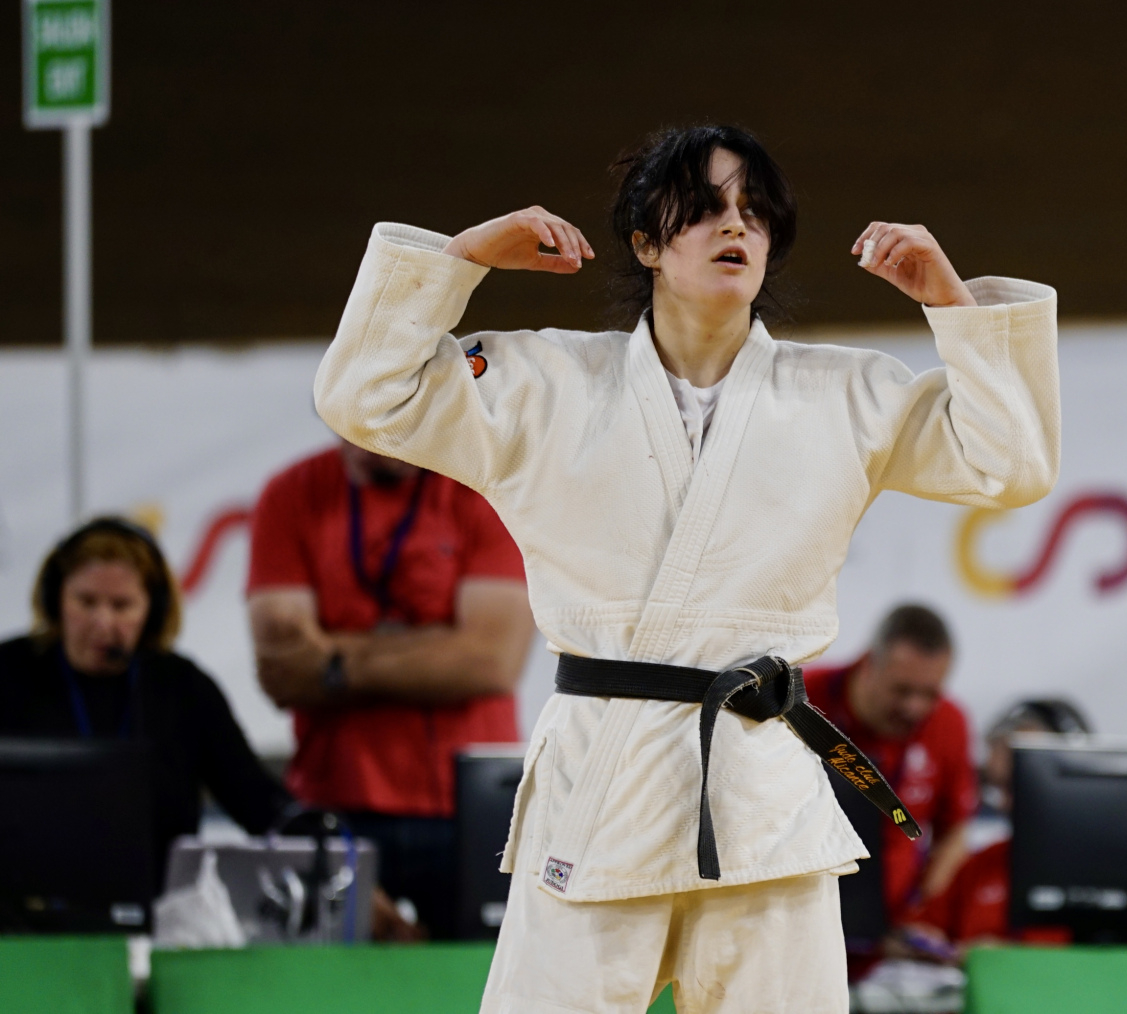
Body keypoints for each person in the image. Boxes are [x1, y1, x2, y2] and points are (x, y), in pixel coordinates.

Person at [310, 124, 1058, 1014]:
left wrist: (952, 305)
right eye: (703, 209)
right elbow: (365, 398)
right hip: (599, 785)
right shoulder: (547, 381)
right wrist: (463, 259)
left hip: (762, 800)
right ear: (646, 243)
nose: (734, 225)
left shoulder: (847, 394)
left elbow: (1010, 466)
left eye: (754, 211)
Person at [245, 438, 537, 938]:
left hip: (467, 807)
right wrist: (438, 648)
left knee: (480, 978)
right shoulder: (291, 492)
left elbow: (490, 662)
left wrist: (333, 661)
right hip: (336, 805)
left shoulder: (485, 488)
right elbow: (283, 669)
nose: (377, 439)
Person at [0, 518, 290, 886]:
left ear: (152, 611)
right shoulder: (9, 673)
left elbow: (257, 800)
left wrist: (326, 844)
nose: (102, 623)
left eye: (121, 606)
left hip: (158, 904)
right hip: (24, 905)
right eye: (86, 602)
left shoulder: (182, 687)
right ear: (55, 599)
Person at [803, 604, 980, 968]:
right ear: (869, 665)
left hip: (890, 945)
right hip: (799, 922)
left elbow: (954, 831)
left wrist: (924, 910)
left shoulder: (949, 722)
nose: (915, 707)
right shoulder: (801, 700)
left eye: (930, 693)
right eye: (902, 690)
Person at [919, 698, 1090, 950]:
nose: (1003, 804)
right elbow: (920, 928)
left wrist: (999, 959)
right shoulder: (983, 863)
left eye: (1015, 786)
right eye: (997, 787)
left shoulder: (1101, 874)